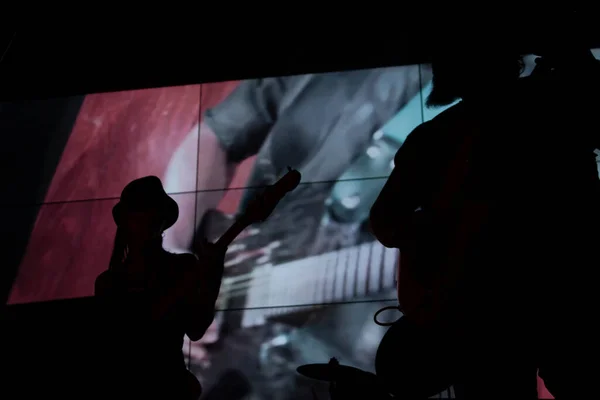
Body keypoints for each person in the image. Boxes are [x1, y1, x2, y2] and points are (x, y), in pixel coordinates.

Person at [370, 33, 600, 398]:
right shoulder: (554, 103)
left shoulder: (433, 136)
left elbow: (385, 221)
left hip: (488, 318)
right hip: (563, 298)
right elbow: (385, 220)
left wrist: (442, 250)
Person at [94, 176, 226, 399]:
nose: (145, 222)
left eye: (150, 215)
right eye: (139, 214)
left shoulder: (183, 267)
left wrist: (213, 274)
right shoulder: (109, 283)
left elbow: (196, 328)